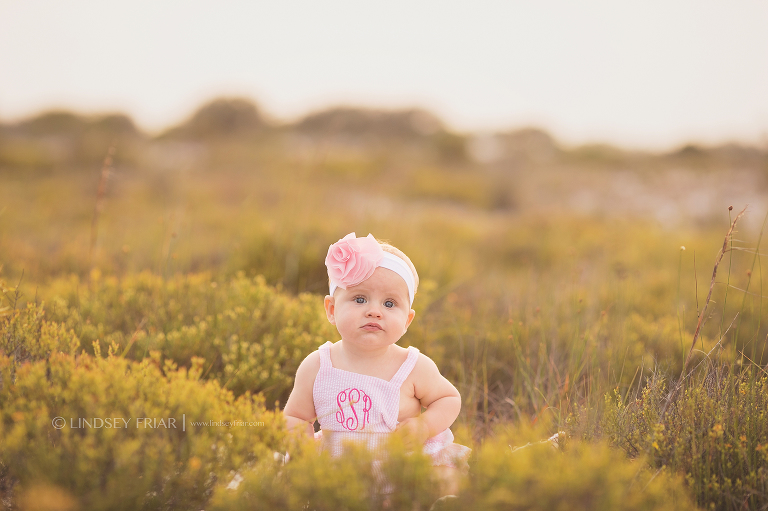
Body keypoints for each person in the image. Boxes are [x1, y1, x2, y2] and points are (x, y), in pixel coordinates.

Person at [283, 232, 471, 495]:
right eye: (359, 299)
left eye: (390, 303)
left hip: (401, 466)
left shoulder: (413, 366)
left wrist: (424, 426)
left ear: (407, 320)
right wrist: (303, 457)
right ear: (332, 309)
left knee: (445, 479)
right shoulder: (318, 366)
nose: (374, 311)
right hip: (339, 470)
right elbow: (296, 417)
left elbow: (449, 398)